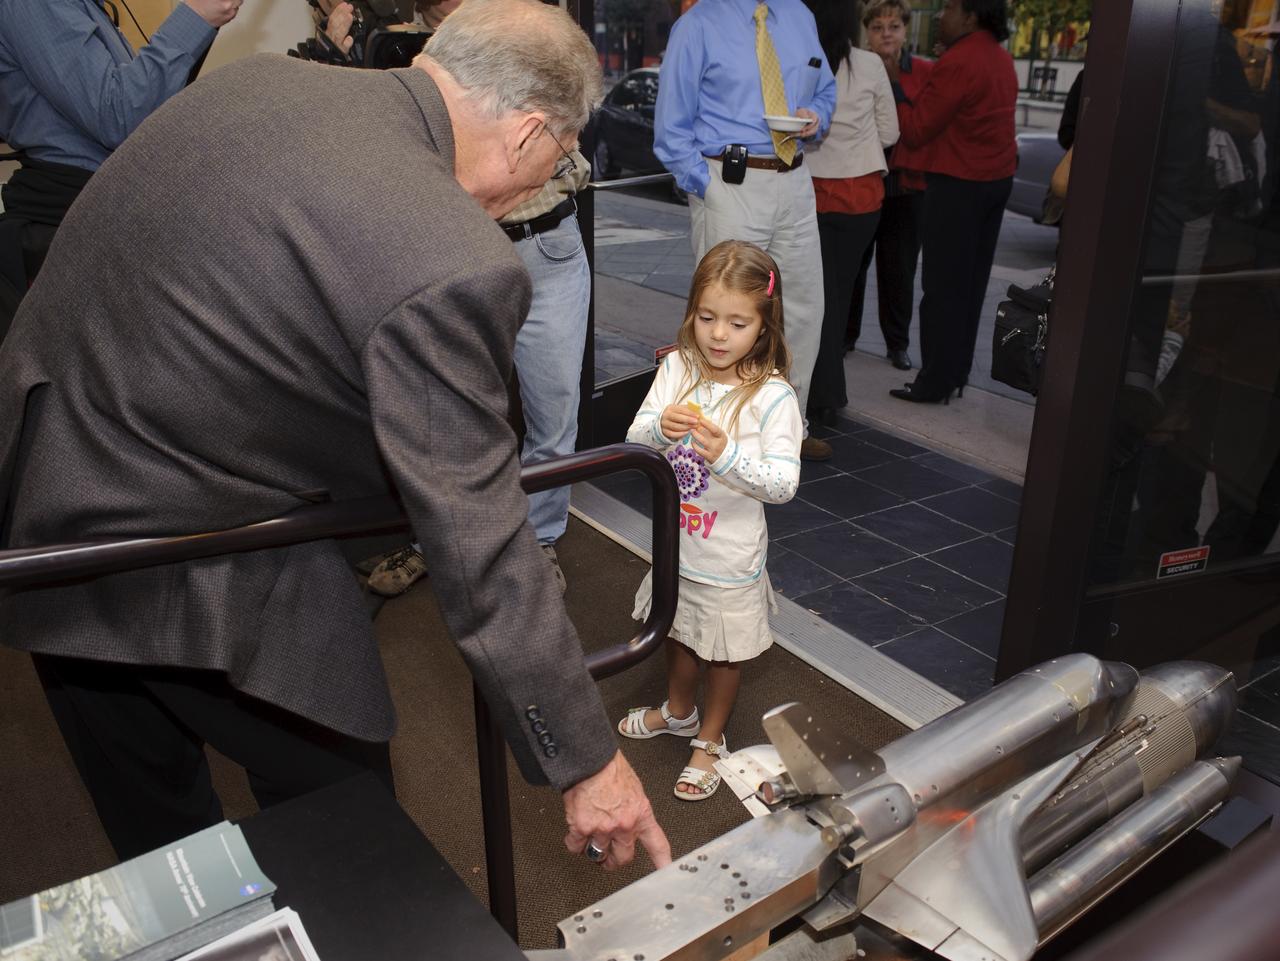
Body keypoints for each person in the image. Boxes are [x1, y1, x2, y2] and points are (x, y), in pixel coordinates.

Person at [0, 0, 668, 871]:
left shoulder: (267, 81)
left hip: (43, 483)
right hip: (181, 541)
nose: (546, 182)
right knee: (350, 826)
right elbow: (481, 536)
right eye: (560, 159)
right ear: (531, 134)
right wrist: (589, 758)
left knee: (166, 857)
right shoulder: (451, 254)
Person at [325, 0, 592, 599]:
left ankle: (540, 539)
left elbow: (573, 160)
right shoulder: (424, 65)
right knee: (444, 412)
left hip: (547, 248)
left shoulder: (531, 47)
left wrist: (537, 158)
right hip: (456, 253)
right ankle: (436, 542)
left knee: (554, 411)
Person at [616, 240, 802, 801]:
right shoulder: (678, 366)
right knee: (675, 627)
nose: (718, 334)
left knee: (725, 650)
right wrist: (659, 429)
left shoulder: (773, 398)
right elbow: (634, 438)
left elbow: (782, 484)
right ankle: (677, 710)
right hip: (677, 547)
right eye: (707, 317)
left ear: (765, 327)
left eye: (738, 322)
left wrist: (724, 457)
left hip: (729, 556)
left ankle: (711, 736)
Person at [653, 0, 836, 461]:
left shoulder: (798, 14)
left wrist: (816, 116)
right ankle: (715, 430)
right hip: (729, 183)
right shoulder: (697, 25)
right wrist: (706, 185)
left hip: (795, 177)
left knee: (802, 312)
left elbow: (826, 91)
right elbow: (670, 127)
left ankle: (788, 431)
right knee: (722, 315)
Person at [0, 0, 243, 339]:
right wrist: (195, 18)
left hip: (110, 219)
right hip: (79, 231)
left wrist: (201, 23)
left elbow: (143, 109)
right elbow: (118, 115)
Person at [885, 0, 1017, 404]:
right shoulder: (999, 58)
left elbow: (918, 129)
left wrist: (893, 84)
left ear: (972, 16)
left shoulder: (959, 61)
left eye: (949, 8)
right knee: (972, 284)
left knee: (942, 286)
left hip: (959, 182)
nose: (941, 16)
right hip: (995, 179)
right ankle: (955, 372)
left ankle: (935, 380)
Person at [803, 0, 898, 427]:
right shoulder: (870, 64)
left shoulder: (801, 63)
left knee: (816, 298)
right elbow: (891, 132)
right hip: (862, 196)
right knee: (839, 294)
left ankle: (820, 392)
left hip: (812, 191)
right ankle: (827, 394)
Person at [845, 0, 933, 372]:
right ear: (867, 30)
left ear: (905, 30)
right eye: (878, 27)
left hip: (908, 185)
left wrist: (893, 83)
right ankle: (844, 336)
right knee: (853, 265)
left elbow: (924, 125)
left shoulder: (924, 72)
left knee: (899, 270)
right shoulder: (853, 67)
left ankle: (897, 343)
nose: (886, 34)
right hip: (865, 179)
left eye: (893, 27)